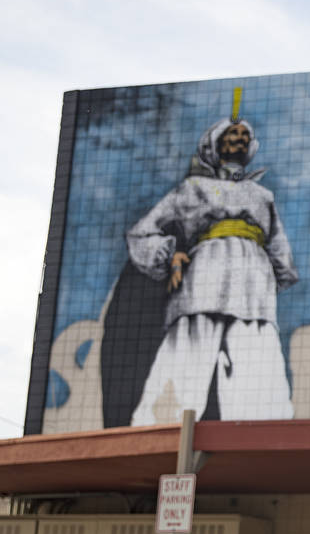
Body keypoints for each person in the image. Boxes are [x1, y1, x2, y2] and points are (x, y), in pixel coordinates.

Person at [126, 114, 298, 424]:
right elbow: (142, 232)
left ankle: (262, 445)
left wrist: (268, 279)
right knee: (184, 362)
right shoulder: (193, 188)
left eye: (245, 137)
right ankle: (160, 435)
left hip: (252, 292)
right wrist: (170, 256)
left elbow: (279, 252)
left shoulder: (263, 197)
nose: (240, 140)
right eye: (232, 135)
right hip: (203, 280)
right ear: (215, 145)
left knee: (257, 370)